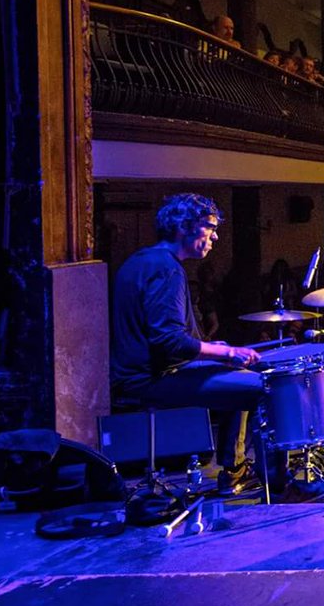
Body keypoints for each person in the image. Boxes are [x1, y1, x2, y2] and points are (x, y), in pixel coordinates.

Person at [110, 193, 265, 494]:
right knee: (264, 387)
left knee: (242, 381)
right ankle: (279, 484)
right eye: (210, 227)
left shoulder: (140, 260)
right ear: (184, 226)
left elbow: (157, 332)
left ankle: (234, 471)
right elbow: (168, 341)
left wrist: (211, 349)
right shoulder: (168, 269)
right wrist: (227, 352)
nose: (215, 236)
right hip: (152, 378)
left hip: (140, 372)